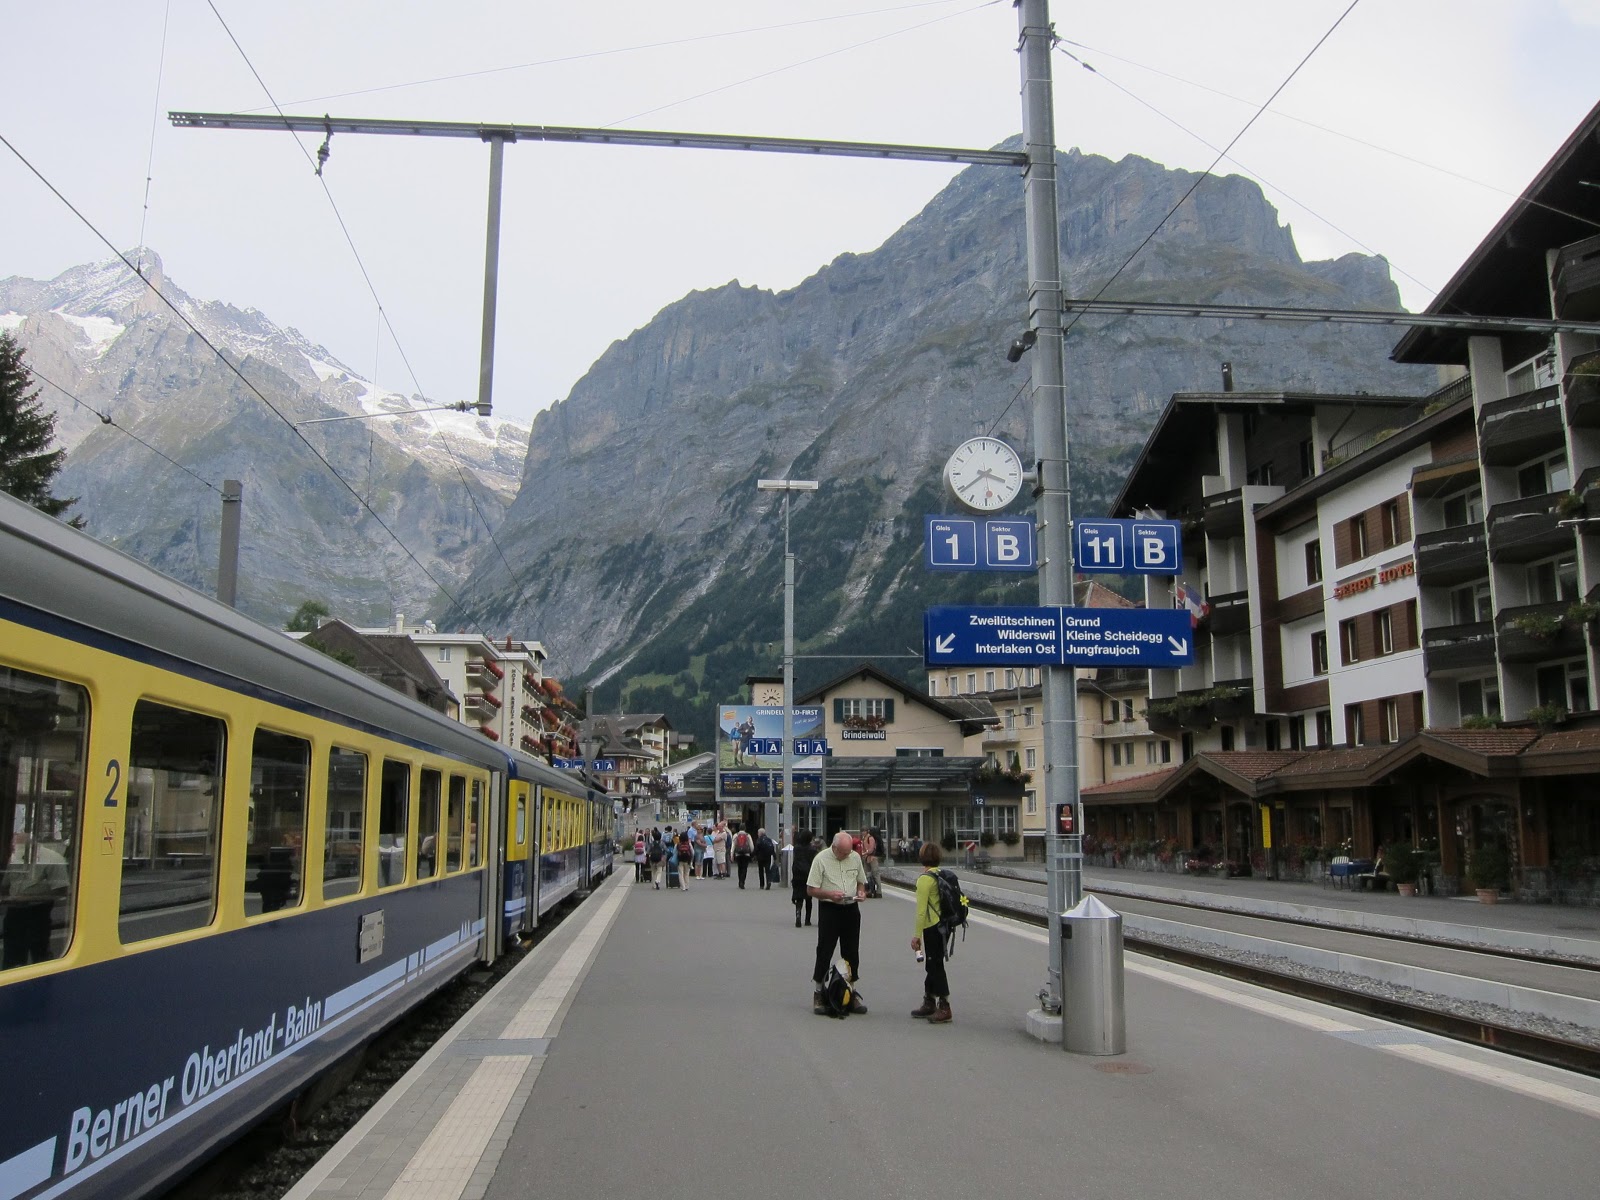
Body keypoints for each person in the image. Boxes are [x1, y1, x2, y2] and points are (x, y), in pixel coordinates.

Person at [806, 831, 869, 1015]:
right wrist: (829, 895)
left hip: (851, 908)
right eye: (843, 852)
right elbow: (811, 889)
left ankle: (850, 991)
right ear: (834, 848)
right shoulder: (821, 859)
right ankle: (819, 991)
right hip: (830, 908)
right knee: (825, 949)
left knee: (851, 951)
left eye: (848, 852)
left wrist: (861, 892)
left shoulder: (855, 857)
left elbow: (860, 881)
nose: (846, 855)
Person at [3, 830, 69, 969]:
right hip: (14, 912)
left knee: (39, 953)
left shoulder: (53, 859)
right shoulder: (15, 859)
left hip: (38, 912)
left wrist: (29, 897)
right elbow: (6, 884)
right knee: (12, 956)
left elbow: (61, 889)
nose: (14, 849)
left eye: (17, 846)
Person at [909, 842, 953, 1024]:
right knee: (933, 963)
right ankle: (929, 999)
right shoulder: (941, 875)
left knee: (935, 965)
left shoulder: (925, 879)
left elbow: (921, 912)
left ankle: (944, 1006)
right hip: (945, 925)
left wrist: (916, 936)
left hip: (932, 926)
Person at [790, 828, 818, 927]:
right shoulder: (812, 849)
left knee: (799, 896)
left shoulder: (796, 848)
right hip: (808, 874)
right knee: (808, 898)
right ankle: (807, 920)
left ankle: (798, 914)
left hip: (797, 874)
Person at [861, 828, 882, 897]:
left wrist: (863, 853)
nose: (862, 833)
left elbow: (871, 849)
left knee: (875, 874)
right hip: (867, 858)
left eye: (864, 831)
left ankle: (879, 891)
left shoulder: (870, 838)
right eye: (862, 831)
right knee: (868, 875)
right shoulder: (864, 838)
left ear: (867, 832)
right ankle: (870, 890)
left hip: (872, 858)